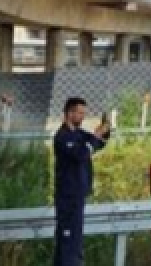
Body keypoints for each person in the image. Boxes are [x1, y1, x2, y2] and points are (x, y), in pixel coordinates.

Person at [53, 97, 110, 266]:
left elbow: (98, 143)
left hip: (78, 197)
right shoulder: (63, 137)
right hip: (67, 199)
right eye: (80, 113)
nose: (83, 116)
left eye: (84, 113)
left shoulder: (79, 134)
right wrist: (94, 138)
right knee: (68, 244)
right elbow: (81, 154)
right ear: (69, 113)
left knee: (75, 242)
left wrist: (105, 130)